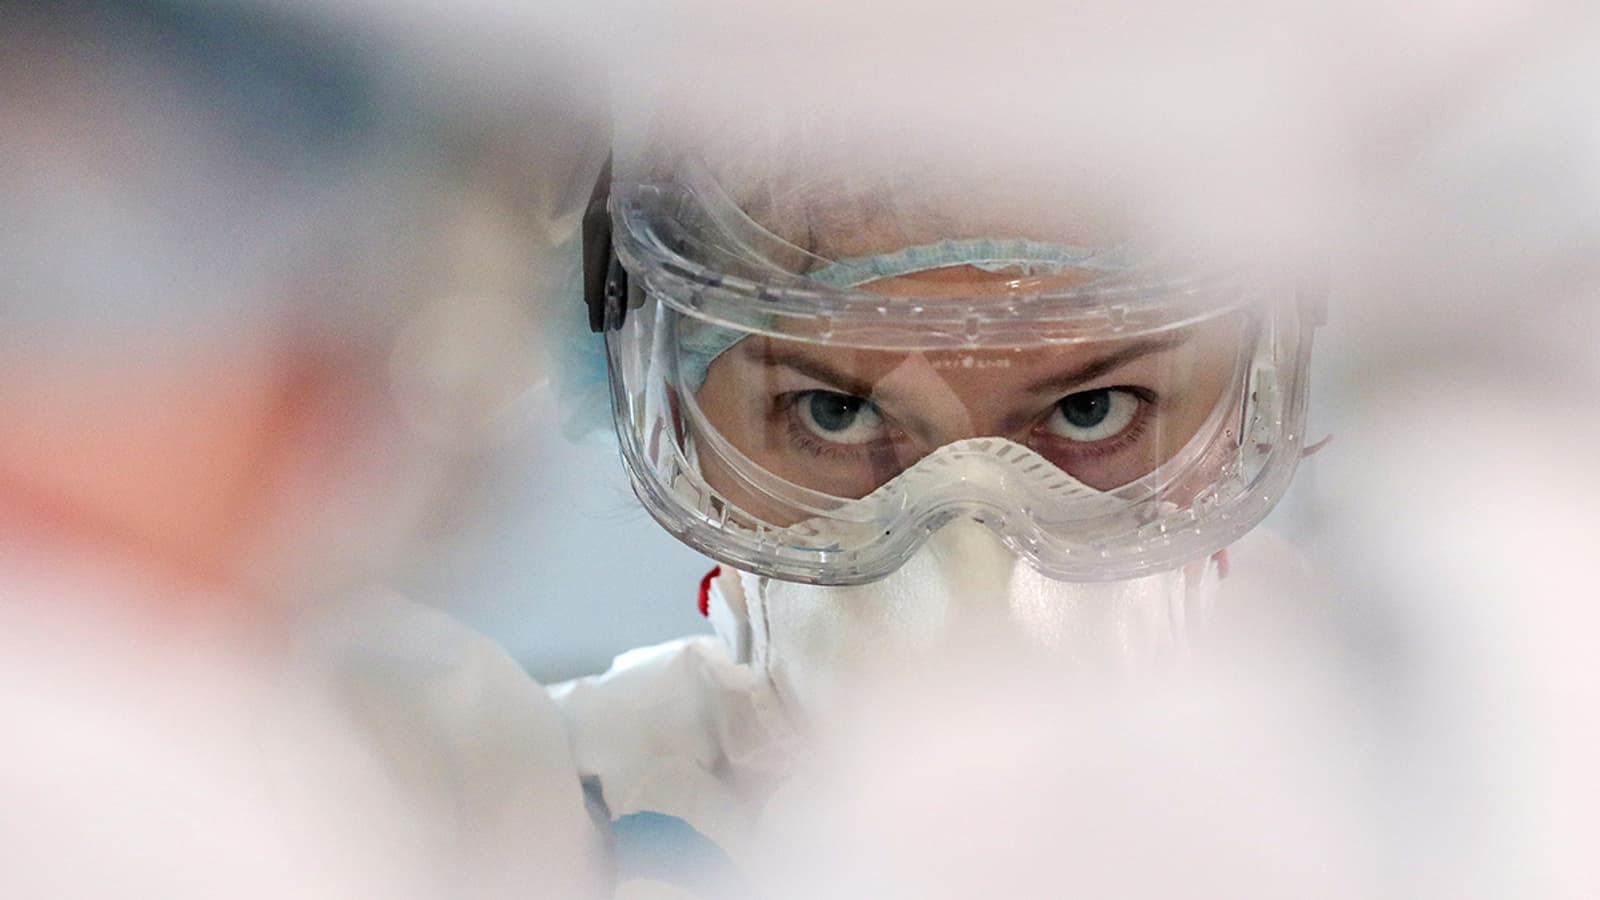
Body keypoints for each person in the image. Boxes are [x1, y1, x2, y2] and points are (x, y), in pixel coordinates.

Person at [549, 121, 1324, 896]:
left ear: (1247, 401)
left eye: (1093, 408)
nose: (974, 560)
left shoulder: (1384, 799)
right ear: (678, 414)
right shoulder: (526, 817)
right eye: (836, 411)